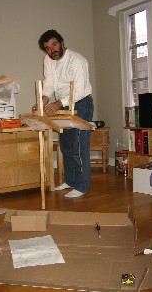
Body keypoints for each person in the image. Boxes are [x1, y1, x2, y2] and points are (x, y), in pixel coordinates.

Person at [36, 29, 94, 198]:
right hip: (61, 104)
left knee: (78, 145)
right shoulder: (48, 59)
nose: (52, 50)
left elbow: (80, 90)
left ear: (62, 42)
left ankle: (82, 186)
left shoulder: (77, 60)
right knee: (67, 145)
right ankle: (71, 180)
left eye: (54, 44)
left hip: (82, 103)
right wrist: (43, 101)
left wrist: (56, 104)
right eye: (47, 48)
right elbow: (49, 84)